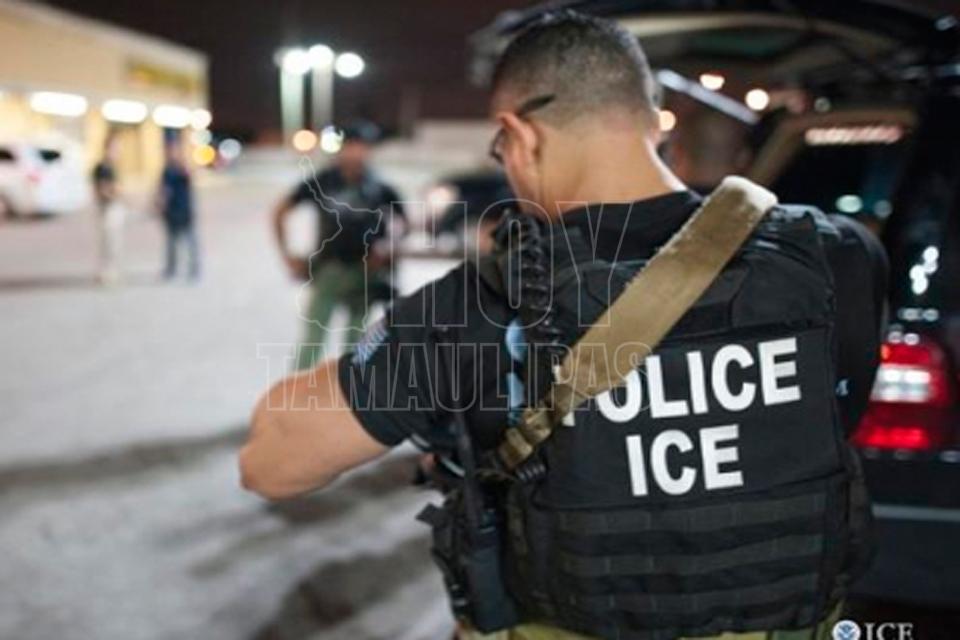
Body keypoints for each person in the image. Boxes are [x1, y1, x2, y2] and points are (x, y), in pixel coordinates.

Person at [241, 12, 888, 640]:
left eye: (500, 150)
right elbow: (831, 417)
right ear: (649, 119)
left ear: (519, 136)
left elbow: (272, 464)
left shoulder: (484, 300)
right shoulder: (835, 254)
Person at [271, 121, 406, 369]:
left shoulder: (378, 187)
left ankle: (348, 391)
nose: (356, 153)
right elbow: (280, 210)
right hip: (328, 271)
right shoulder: (323, 181)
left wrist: (387, 249)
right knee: (312, 340)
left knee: (356, 345)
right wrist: (287, 255)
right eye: (351, 146)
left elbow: (404, 223)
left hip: (365, 275)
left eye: (362, 147)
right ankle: (298, 389)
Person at [158, 140, 200, 280]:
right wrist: (160, 204)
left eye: (173, 151)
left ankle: (194, 268)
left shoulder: (182, 169)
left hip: (185, 211)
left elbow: (190, 176)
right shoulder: (166, 171)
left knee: (191, 242)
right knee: (171, 243)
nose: (171, 154)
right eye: (169, 151)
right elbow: (164, 190)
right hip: (171, 212)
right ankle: (171, 268)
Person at [92, 135, 125, 285]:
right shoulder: (103, 167)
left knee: (113, 243)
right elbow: (101, 190)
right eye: (116, 148)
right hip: (107, 209)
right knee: (109, 243)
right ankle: (107, 273)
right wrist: (115, 192)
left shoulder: (112, 167)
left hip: (112, 208)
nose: (119, 151)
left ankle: (110, 272)